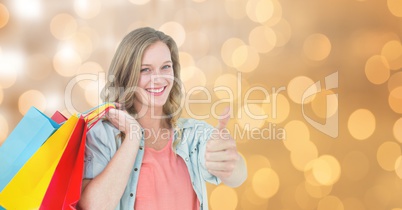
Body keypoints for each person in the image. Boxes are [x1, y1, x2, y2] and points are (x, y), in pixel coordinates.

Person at [78, 27, 247, 210]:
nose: (158, 79)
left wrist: (230, 162)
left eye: (166, 67)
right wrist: (133, 137)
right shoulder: (101, 136)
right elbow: (92, 206)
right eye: (145, 70)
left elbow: (238, 176)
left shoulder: (191, 134)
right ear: (126, 75)